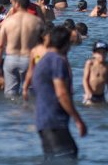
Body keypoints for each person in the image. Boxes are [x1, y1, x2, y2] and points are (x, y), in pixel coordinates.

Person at [32, 26, 87, 160]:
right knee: (68, 156)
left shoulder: (45, 59)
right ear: (66, 43)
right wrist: (78, 120)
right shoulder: (57, 60)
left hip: (44, 120)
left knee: (54, 158)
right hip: (54, 121)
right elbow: (61, 93)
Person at [0, 0, 43, 97]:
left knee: (10, 95)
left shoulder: (8, 22)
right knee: (31, 95)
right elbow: (42, 44)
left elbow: (0, 45)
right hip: (29, 60)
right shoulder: (37, 22)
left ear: (16, 3)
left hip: (11, 59)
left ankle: (13, 113)